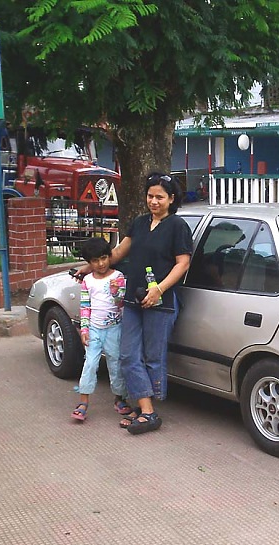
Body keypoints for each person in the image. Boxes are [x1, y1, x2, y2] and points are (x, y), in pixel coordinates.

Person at [73, 172, 193, 434]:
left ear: (171, 199)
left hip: (160, 303)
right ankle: (145, 408)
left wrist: (159, 289)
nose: (154, 201)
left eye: (160, 197)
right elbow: (116, 254)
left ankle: (146, 410)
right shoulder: (139, 224)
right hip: (132, 300)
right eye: (150, 196)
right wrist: (87, 266)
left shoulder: (177, 226)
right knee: (127, 354)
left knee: (152, 356)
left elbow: (183, 263)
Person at [71, 237, 128, 422]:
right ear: (89, 263)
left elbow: (121, 303)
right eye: (95, 260)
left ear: (109, 257)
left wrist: (116, 292)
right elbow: (85, 306)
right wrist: (85, 329)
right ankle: (83, 402)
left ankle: (120, 399)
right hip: (94, 329)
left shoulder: (118, 277)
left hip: (114, 329)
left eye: (104, 258)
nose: (101, 263)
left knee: (116, 363)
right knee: (90, 364)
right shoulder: (88, 280)